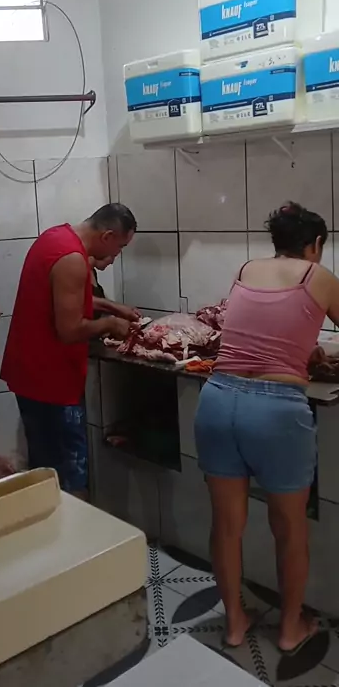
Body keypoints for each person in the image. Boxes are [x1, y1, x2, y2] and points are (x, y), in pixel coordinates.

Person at [194, 202, 339, 654]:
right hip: (276, 413)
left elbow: (261, 333)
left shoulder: (247, 269)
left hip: (218, 401)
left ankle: (235, 624)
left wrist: (302, 349)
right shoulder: (320, 276)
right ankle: (290, 629)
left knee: (226, 525)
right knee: (290, 528)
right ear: (316, 244)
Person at [0, 203, 138, 499]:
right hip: (52, 381)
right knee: (70, 475)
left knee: (45, 471)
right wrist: (110, 324)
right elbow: (70, 329)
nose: (116, 255)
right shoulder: (73, 260)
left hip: (29, 375)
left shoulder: (55, 238)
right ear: (107, 236)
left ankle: (50, 525)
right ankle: (76, 528)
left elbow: (65, 296)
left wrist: (112, 306)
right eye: (120, 247)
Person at [90, 256, 141, 322]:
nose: (112, 262)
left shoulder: (92, 271)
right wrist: (116, 309)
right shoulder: (78, 268)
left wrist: (120, 309)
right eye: (112, 256)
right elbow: (84, 302)